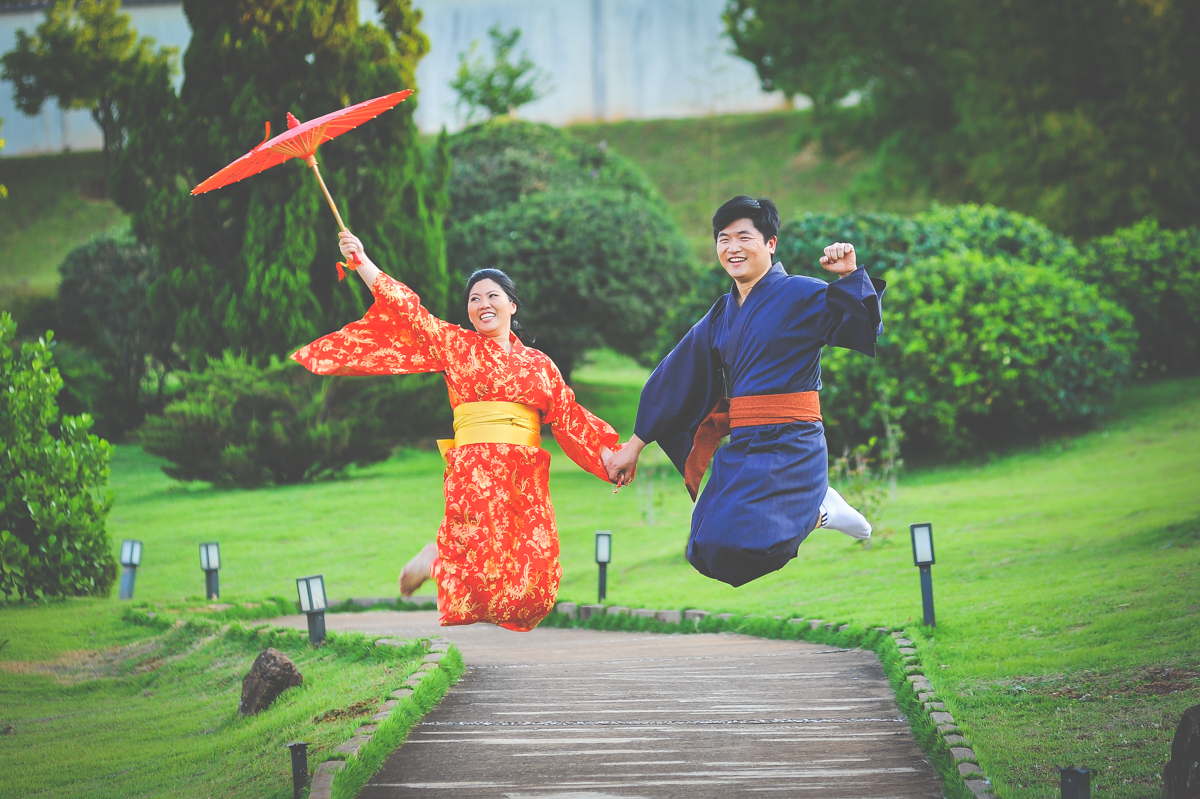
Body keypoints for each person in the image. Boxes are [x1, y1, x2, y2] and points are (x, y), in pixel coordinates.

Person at [292, 232, 619, 631]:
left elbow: (570, 417)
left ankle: (439, 557)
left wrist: (609, 457)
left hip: (525, 478)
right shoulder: (456, 346)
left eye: (493, 296)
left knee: (536, 588)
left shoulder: (540, 364)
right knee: (479, 577)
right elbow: (409, 310)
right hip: (475, 473)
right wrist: (361, 261)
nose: (483, 304)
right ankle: (434, 559)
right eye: (474, 299)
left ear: (512, 305)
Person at [605, 196, 883, 588]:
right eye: (724, 239)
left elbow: (860, 329)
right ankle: (817, 505)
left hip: (792, 440)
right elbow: (676, 375)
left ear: (771, 243)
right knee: (705, 547)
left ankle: (819, 509)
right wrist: (634, 446)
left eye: (743, 237)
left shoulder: (801, 293)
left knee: (755, 544)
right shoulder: (721, 314)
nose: (732, 247)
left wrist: (848, 278)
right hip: (745, 440)